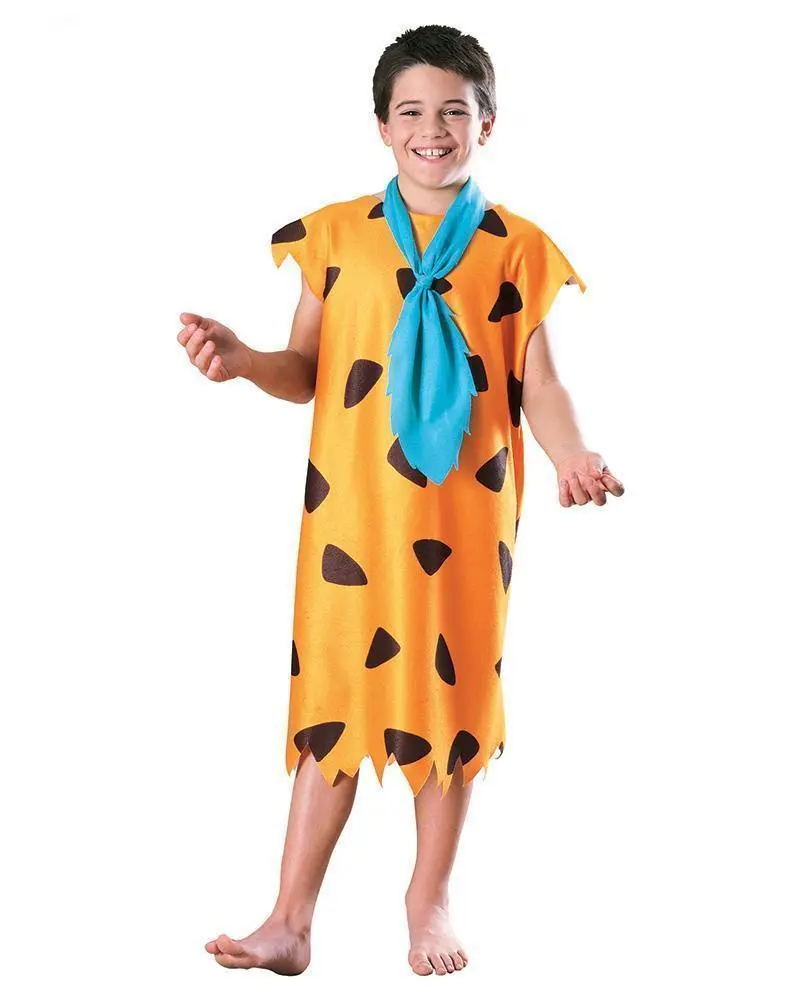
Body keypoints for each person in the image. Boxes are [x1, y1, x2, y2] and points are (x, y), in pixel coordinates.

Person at [178, 24, 624, 978]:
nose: (433, 130)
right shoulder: (335, 237)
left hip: (463, 517)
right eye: (411, 112)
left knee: (449, 695)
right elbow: (306, 369)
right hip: (352, 517)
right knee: (333, 696)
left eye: (454, 112)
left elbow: (538, 383)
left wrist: (572, 453)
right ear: (381, 126)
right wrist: (244, 362)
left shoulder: (515, 249)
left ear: (487, 124)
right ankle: (290, 919)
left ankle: (430, 898)